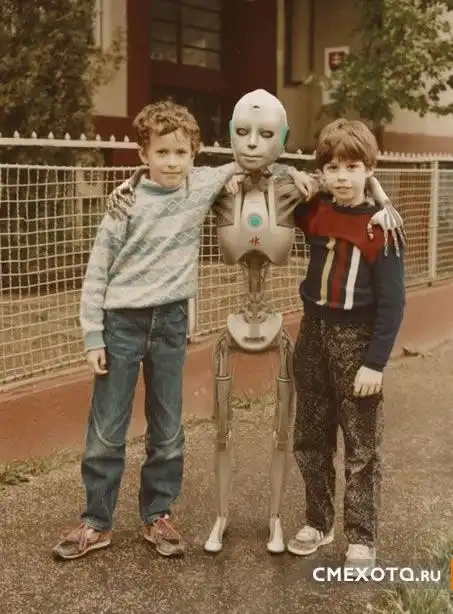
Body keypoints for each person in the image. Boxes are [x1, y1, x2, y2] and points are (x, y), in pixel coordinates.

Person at [52, 99, 315, 561]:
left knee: (168, 428)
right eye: (162, 152)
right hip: (121, 323)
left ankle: (158, 515)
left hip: (171, 322)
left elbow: (254, 161)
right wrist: (93, 333)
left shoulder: (201, 184)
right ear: (143, 155)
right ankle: (96, 521)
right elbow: (97, 270)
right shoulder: (125, 204)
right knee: (107, 429)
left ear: (194, 154)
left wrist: (295, 173)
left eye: (181, 153)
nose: (172, 162)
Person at [287, 119, 405, 576]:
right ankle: (319, 523)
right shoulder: (316, 212)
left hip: (357, 341)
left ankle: (361, 537)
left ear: (368, 169)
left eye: (352, 167)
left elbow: (393, 304)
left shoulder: (382, 226)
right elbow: (278, 186)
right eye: (332, 167)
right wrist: (300, 178)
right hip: (313, 333)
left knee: (361, 446)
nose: (341, 177)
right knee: (310, 437)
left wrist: (375, 363)